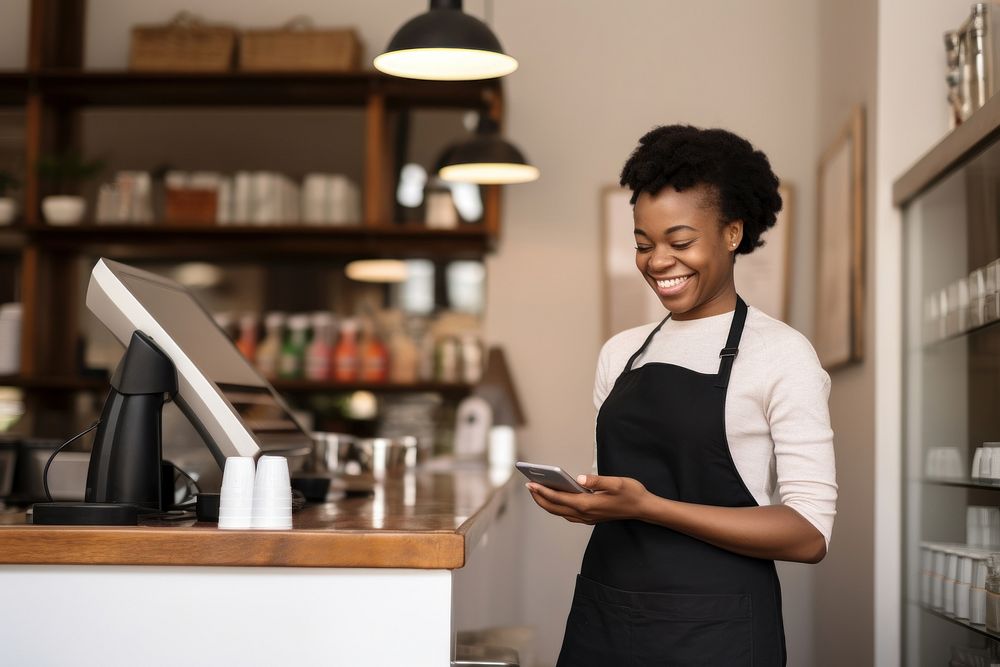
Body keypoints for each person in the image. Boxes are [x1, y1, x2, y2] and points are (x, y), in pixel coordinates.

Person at [526, 125, 837, 666]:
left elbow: (808, 534)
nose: (657, 262)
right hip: (608, 614)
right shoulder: (621, 352)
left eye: (681, 242)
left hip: (718, 629)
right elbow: (621, 487)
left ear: (733, 233)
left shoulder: (782, 354)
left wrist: (650, 507)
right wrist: (589, 501)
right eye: (644, 245)